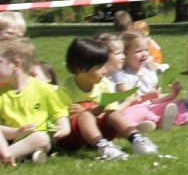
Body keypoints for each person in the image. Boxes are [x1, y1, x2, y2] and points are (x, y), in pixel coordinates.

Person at [57, 38, 159, 160]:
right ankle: (104, 147)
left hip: (101, 131)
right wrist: (86, 113)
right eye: (99, 67)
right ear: (81, 69)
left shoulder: (104, 84)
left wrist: (98, 111)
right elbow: (61, 119)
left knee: (113, 113)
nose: (105, 71)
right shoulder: (66, 90)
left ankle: (137, 139)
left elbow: (112, 109)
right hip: (74, 137)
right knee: (85, 116)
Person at [0, 37, 68, 165]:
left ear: (16, 64)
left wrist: (64, 128)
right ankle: (19, 155)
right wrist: (16, 132)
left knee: (40, 138)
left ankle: (7, 157)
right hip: (9, 139)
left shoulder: (43, 89)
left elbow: (59, 111)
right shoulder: (1, 93)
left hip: (36, 136)